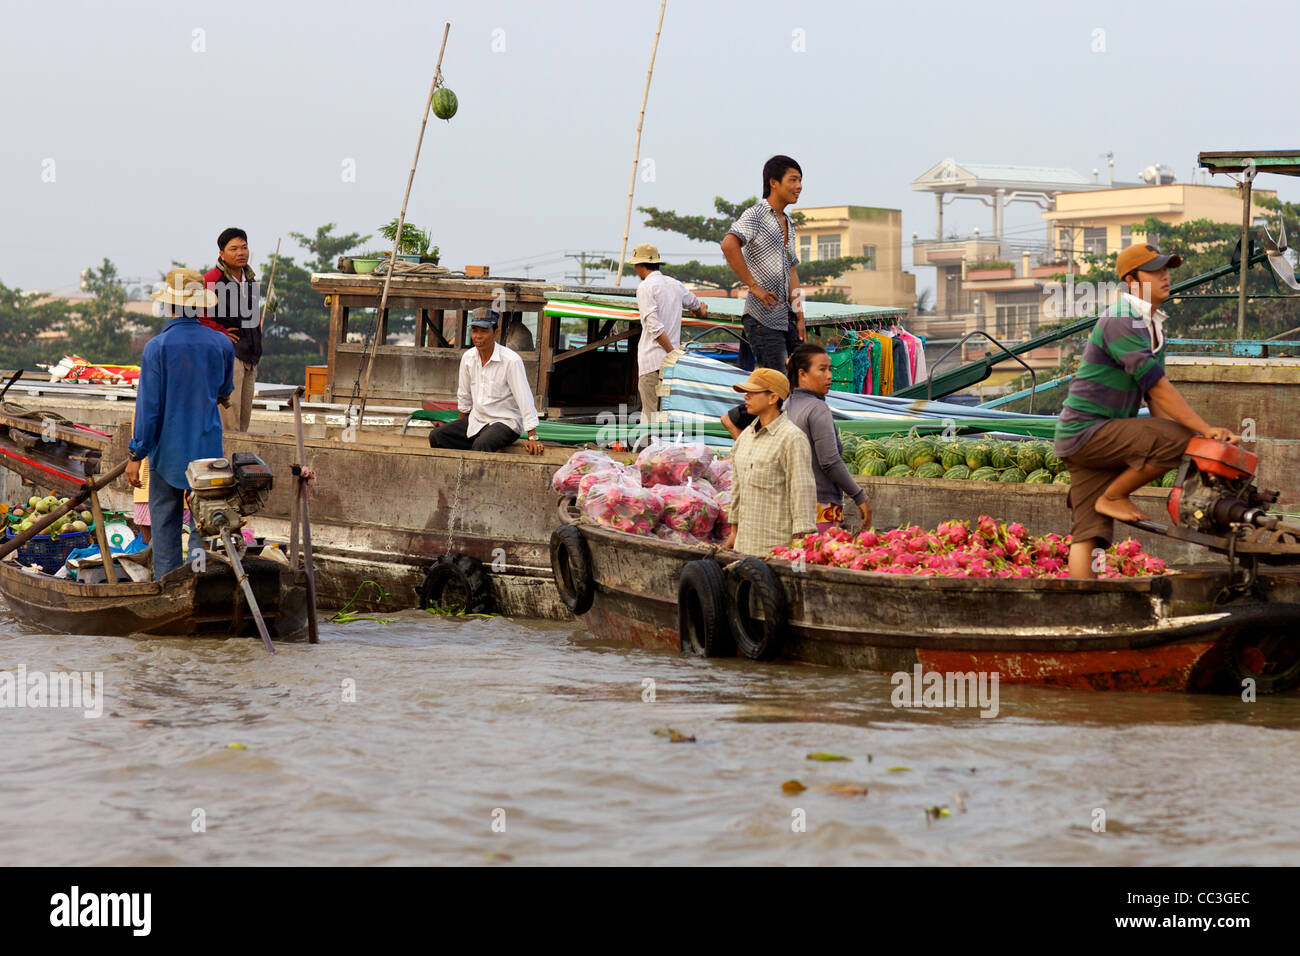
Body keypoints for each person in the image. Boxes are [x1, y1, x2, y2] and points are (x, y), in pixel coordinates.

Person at [1055, 242, 1241, 578]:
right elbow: (1157, 386)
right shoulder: (1121, 320)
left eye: (1166, 269)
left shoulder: (1151, 325)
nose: (1165, 277)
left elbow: (1155, 403)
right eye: (1155, 271)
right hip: (1089, 432)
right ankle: (1113, 495)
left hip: (1085, 437)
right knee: (1182, 440)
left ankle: (1083, 599)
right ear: (1131, 280)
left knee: (1091, 533)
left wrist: (1176, 440)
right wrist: (1202, 432)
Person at [127, 268, 233, 580]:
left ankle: (167, 584)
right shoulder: (222, 344)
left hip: (167, 453)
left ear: (171, 306)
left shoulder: (157, 348)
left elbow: (149, 409)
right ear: (201, 306)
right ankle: (198, 581)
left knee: (164, 522)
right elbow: (224, 391)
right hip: (208, 452)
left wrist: (136, 455)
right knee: (204, 522)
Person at [720, 155, 807, 372]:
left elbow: (792, 273)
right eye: (793, 180)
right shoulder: (756, 214)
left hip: (786, 317)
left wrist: (800, 317)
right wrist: (754, 286)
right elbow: (729, 245)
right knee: (775, 384)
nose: (799, 186)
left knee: (802, 376)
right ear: (773, 182)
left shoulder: (789, 222)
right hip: (762, 318)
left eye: (800, 181)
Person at [724, 367, 817, 557]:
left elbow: (802, 491)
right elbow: (736, 487)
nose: (746, 397)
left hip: (775, 550)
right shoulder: (746, 436)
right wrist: (734, 531)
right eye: (746, 393)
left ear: (773, 398)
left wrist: (801, 542)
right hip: (743, 545)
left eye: (752, 392)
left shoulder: (792, 438)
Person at [783, 344, 872, 531]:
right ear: (802, 374)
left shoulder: (786, 405)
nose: (829, 376)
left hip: (791, 508)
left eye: (830, 369)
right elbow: (830, 461)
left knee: (796, 559)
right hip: (820, 509)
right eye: (822, 369)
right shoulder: (817, 408)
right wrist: (859, 496)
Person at [430, 311, 544, 455]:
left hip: (505, 422)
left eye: (484, 331)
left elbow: (524, 398)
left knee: (482, 444)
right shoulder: (468, 358)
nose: (478, 336)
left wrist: (532, 436)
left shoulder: (511, 360)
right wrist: (462, 428)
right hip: (477, 420)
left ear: (495, 333)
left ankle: (475, 477)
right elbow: (464, 396)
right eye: (475, 331)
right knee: (437, 436)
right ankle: (455, 474)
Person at [630, 243, 708, 421]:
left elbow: (655, 328)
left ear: (640, 266)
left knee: (651, 415)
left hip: (652, 361)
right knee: (665, 414)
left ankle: (652, 448)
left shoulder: (645, 287)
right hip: (671, 366)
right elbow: (696, 305)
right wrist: (701, 312)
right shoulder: (675, 284)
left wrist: (670, 352)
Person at [204, 227, 260, 432]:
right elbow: (200, 316)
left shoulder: (250, 280)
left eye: (244, 247)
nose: (240, 253)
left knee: (244, 418)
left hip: (250, 357)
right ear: (222, 253)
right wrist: (220, 333)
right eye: (234, 248)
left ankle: (238, 461)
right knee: (229, 418)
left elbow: (254, 316)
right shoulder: (211, 280)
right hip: (229, 355)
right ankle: (225, 462)